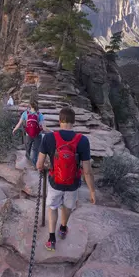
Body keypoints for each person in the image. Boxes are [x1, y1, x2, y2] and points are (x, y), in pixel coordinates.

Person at [36, 107, 96, 251]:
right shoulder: (83, 141)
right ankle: (63, 228)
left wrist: (44, 167)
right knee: (67, 206)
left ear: (59, 120)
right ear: (73, 122)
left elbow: (39, 164)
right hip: (73, 183)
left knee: (52, 207)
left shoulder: (49, 138)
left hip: (54, 182)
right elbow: (87, 171)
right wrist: (92, 191)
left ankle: (51, 239)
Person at [13, 100, 50, 165]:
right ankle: (34, 164)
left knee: (28, 149)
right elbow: (44, 128)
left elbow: (19, 124)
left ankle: (27, 162)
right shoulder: (40, 115)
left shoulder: (25, 113)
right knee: (36, 150)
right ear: (37, 106)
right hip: (38, 135)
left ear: (30, 106)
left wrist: (14, 129)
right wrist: (52, 131)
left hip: (28, 134)